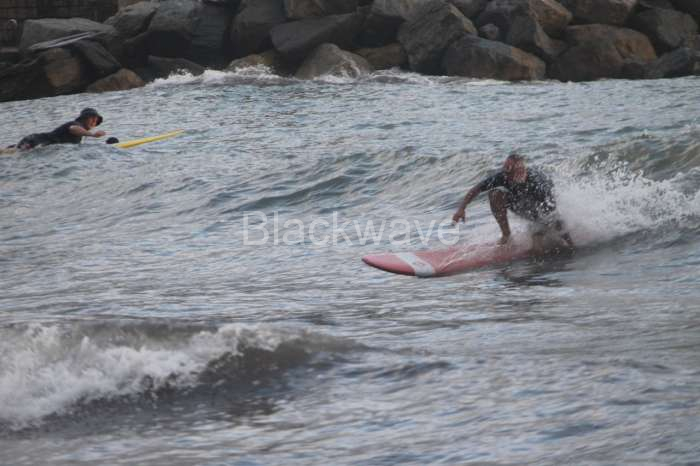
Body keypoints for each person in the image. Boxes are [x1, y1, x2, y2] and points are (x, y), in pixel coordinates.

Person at [452, 152, 574, 253]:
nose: (517, 174)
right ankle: (506, 236)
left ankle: (558, 241)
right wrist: (461, 209)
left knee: (538, 248)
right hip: (521, 206)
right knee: (495, 194)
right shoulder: (503, 177)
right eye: (512, 172)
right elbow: (476, 189)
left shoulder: (537, 183)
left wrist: (570, 243)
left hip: (542, 212)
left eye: (521, 171)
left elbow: (554, 216)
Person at [14, 108, 106, 150]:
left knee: (13, 152)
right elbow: (73, 129)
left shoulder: (82, 133)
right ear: (84, 118)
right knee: (15, 153)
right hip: (35, 140)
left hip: (36, 141)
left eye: (96, 121)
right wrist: (92, 134)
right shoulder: (76, 124)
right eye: (92, 118)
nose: (94, 122)